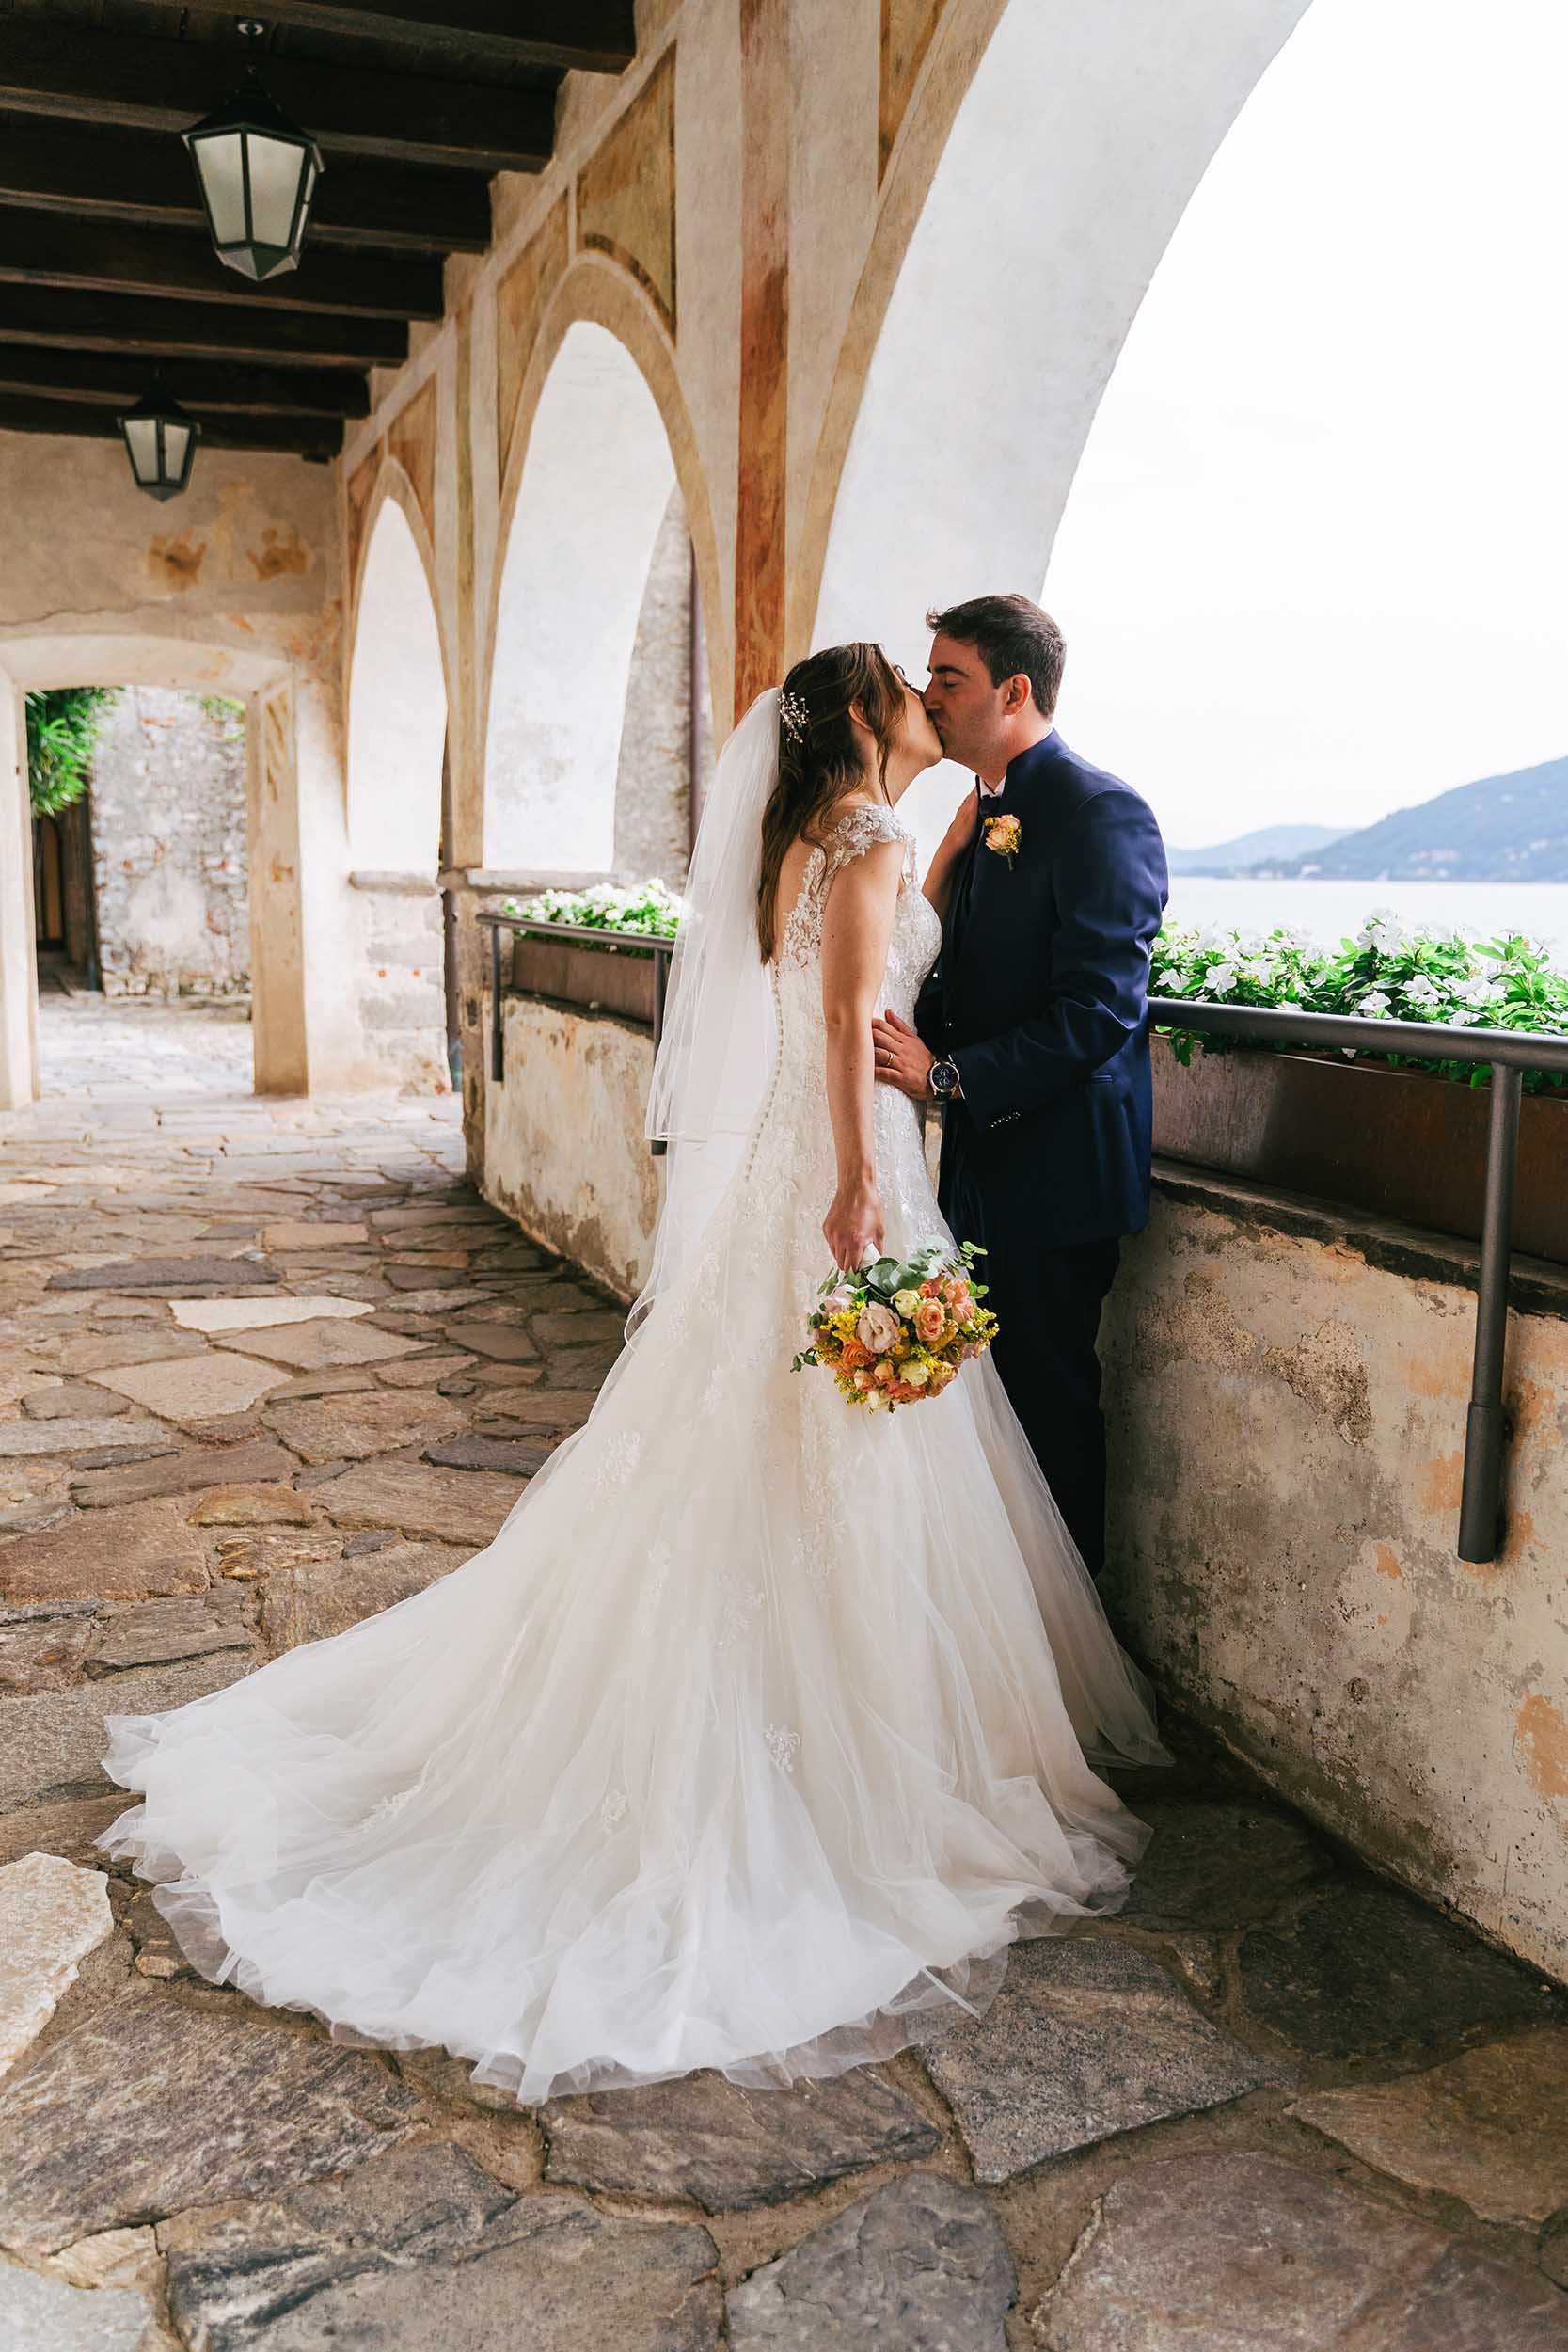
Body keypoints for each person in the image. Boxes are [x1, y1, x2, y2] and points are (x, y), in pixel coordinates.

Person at [99, 644, 1164, 2107]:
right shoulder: (859, 840)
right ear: (863, 724)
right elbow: (851, 1041)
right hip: (844, 1187)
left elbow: (845, 1008)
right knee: (847, 1446)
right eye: (907, 686)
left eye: (947, 678)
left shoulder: (834, 837)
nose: (928, 698)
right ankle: (867, 1765)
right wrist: (860, 1194)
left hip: (811, 1183)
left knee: (782, 1445)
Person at [873, 596, 1168, 1577]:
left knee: (1046, 1416)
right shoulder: (987, 812)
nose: (927, 694)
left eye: (946, 678)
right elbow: (969, 982)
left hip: (1056, 1179)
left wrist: (944, 1075)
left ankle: (1071, 1659)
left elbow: (1097, 1012)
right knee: (982, 1422)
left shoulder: (1098, 810)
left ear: (1013, 690)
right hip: (977, 1167)